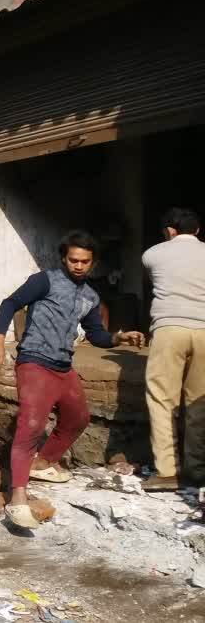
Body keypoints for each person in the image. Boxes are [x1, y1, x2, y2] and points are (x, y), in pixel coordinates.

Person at [0, 230, 145, 529]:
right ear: (64, 258)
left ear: (93, 263)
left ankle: (43, 463)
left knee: (78, 418)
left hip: (63, 366)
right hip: (34, 361)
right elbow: (9, 304)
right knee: (31, 425)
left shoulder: (90, 295)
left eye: (85, 261)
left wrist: (118, 337)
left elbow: (96, 335)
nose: (79, 266)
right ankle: (17, 497)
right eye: (73, 260)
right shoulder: (44, 281)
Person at [141, 208, 205, 492]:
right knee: (199, 401)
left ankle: (168, 471)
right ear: (198, 231)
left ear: (170, 231)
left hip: (169, 329)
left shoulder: (153, 254)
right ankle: (197, 469)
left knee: (162, 399)